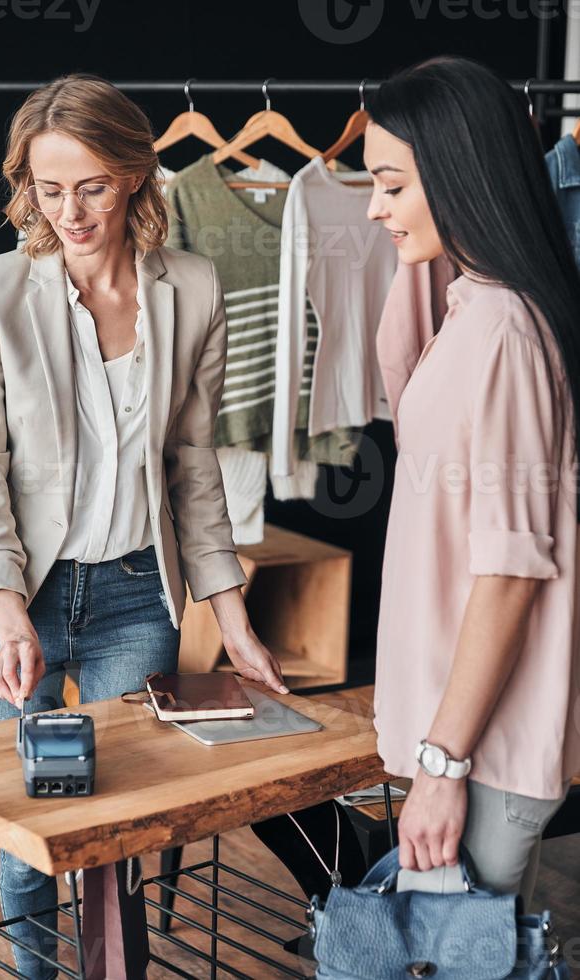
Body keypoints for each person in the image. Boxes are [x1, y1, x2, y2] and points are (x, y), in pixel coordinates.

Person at [0, 72, 288, 980]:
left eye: (91, 185)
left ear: (135, 174)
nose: (71, 211)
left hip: (140, 591)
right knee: (36, 825)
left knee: (113, 827)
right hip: (21, 592)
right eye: (50, 189)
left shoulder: (196, 288)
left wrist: (236, 620)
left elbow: (194, 468)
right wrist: (7, 609)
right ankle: (34, 973)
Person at [363, 56, 580, 911]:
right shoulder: (473, 304)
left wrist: (444, 768)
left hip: (481, 751)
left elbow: (510, 573)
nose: (375, 209)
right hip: (460, 738)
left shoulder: (502, 333)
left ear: (457, 176)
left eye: (390, 185)